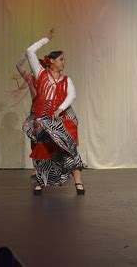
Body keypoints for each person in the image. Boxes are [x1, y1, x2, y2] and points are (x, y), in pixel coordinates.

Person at [26, 29, 86, 195]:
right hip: (43, 119)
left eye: (63, 60)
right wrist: (46, 39)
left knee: (69, 149)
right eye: (60, 59)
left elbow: (72, 95)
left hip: (59, 119)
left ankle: (78, 183)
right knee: (42, 150)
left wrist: (60, 108)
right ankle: (40, 182)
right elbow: (30, 51)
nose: (63, 62)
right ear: (51, 61)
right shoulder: (40, 73)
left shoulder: (67, 80)